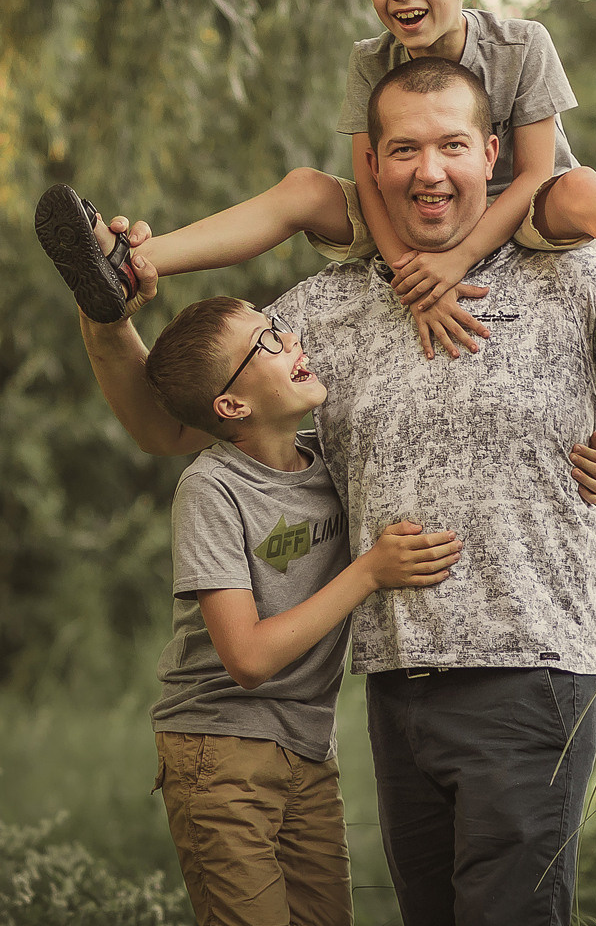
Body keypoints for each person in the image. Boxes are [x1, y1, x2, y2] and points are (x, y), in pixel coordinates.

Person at [48, 56, 596, 926]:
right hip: (396, 687)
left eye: (452, 146)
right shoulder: (322, 312)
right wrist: (106, 316)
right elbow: (173, 423)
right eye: (404, 149)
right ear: (372, 166)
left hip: (531, 674)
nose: (429, 171)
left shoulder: (573, 278)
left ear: (491, 154)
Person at [34, 0, 596, 360]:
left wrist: (456, 262)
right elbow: (368, 178)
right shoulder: (370, 59)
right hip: (410, 208)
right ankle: (133, 262)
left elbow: (534, 173)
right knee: (305, 187)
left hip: (519, 209)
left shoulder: (523, 44)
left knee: (583, 186)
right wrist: (409, 274)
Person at [140, 294, 466, 925]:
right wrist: (367, 571)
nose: (290, 340)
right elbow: (247, 658)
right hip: (220, 746)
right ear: (231, 406)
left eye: (279, 328)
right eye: (265, 343)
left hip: (309, 748)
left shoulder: (334, 464)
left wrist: (575, 470)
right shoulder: (211, 489)